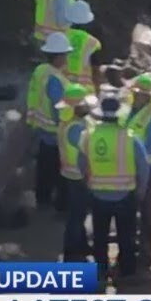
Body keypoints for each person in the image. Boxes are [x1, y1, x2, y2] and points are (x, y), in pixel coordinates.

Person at [78, 94, 150, 284]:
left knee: (100, 236)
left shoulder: (88, 136)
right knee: (126, 236)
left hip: (98, 195)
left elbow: (81, 164)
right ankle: (126, 271)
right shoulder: (130, 138)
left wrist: (89, 184)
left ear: (100, 115)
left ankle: (101, 270)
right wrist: (141, 191)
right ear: (120, 115)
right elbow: (144, 168)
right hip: (125, 195)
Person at [27, 32, 73, 212]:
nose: (67, 57)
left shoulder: (41, 70)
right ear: (59, 56)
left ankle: (43, 198)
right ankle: (59, 205)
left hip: (41, 127)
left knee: (44, 167)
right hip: (55, 131)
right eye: (65, 54)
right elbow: (58, 107)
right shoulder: (55, 79)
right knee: (61, 169)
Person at [124, 74, 151, 268]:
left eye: (141, 94)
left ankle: (147, 249)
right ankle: (132, 246)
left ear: (148, 96)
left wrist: (141, 170)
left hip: (148, 168)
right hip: (130, 167)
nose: (137, 97)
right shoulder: (130, 111)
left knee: (146, 206)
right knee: (131, 207)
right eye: (136, 93)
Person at [57, 83, 93, 262]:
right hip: (78, 176)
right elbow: (86, 153)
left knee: (77, 213)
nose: (88, 107)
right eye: (85, 105)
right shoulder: (76, 128)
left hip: (70, 173)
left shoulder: (67, 122)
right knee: (77, 216)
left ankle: (80, 245)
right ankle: (73, 252)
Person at [64, 0, 103, 96]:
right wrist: (97, 92)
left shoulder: (59, 37)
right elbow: (95, 70)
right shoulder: (93, 42)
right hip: (84, 92)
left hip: (62, 88)